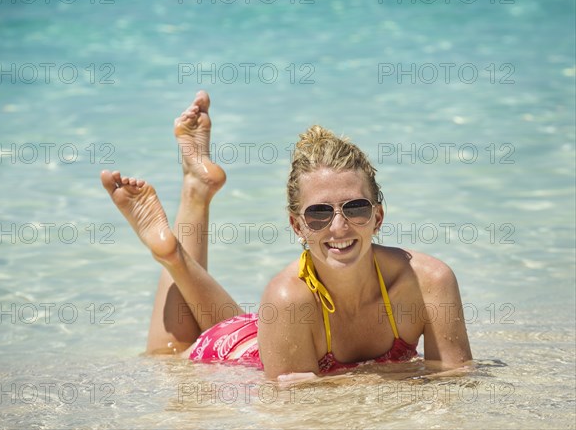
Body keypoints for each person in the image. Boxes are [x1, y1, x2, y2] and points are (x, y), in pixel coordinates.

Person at [100, 91, 472, 381]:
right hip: (238, 353)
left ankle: (195, 193)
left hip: (271, 333)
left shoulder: (430, 282)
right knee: (166, 357)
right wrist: (391, 378)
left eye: (355, 208)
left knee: (247, 323)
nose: (339, 227)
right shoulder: (286, 297)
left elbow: (459, 380)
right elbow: (298, 414)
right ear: (297, 226)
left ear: (377, 215)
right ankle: (172, 246)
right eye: (319, 213)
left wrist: (355, 382)